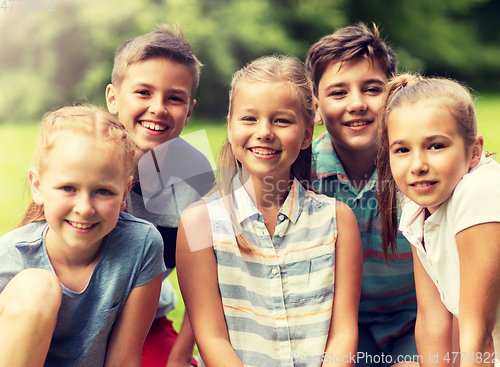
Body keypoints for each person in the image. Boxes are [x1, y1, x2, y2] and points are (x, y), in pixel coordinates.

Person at [176, 55, 363, 367]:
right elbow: (211, 338)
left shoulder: (338, 220)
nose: (264, 131)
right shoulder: (199, 222)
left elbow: (343, 334)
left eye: (282, 120)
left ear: (306, 135)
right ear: (230, 125)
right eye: (249, 119)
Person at [0, 105, 165, 367]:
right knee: (37, 287)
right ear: (38, 186)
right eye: (68, 188)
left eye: (103, 191)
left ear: (124, 193)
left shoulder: (141, 245)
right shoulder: (8, 257)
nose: (85, 208)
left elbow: (123, 359)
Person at [306, 23, 418, 367]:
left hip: (416, 320)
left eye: (372, 89)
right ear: (316, 108)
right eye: (338, 93)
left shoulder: (420, 170)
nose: (356, 104)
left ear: (395, 94)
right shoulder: (301, 173)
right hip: (337, 326)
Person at [105, 24, 214, 367]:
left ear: (190, 109)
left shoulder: (198, 179)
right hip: (70, 310)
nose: (158, 107)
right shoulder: (82, 154)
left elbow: (207, 284)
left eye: (174, 98)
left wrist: (181, 356)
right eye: (143, 92)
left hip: (144, 322)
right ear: (113, 98)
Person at [378, 73, 500, 366]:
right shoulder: (416, 208)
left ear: (473, 152)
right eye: (403, 150)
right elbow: (433, 321)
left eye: (436, 146)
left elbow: (478, 335)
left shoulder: (479, 192)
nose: (418, 165)